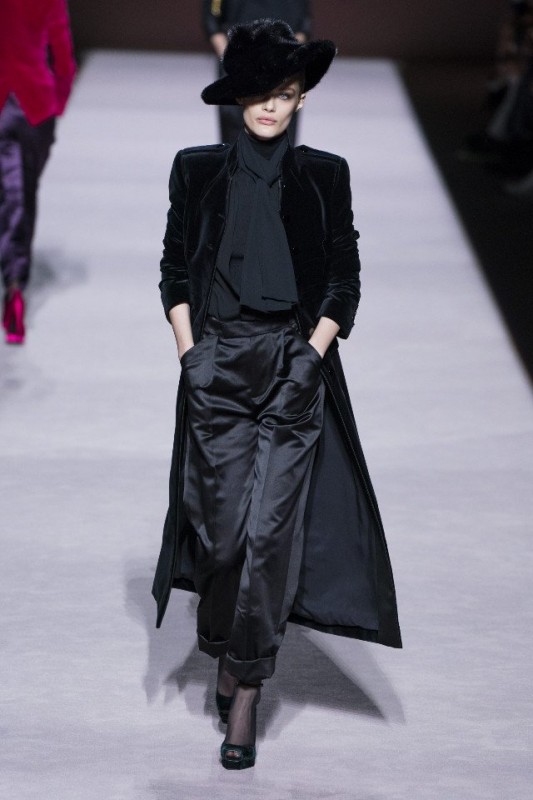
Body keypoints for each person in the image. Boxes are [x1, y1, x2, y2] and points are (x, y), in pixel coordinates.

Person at [152, 19, 402, 770]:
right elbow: (174, 270)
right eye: (260, 92)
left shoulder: (324, 175)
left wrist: (310, 356)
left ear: (301, 101)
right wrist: (192, 356)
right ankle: (226, 645)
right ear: (238, 98)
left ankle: (247, 688)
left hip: (293, 368)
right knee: (222, 535)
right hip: (219, 366)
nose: (270, 106)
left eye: (285, 94)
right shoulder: (196, 170)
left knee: (270, 537)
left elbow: (344, 278)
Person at [0, 0, 76, 345]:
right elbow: (62, 53)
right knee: (21, 195)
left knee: (12, 195)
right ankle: (15, 286)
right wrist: (58, 100)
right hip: (34, 104)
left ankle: (14, 282)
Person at [202, 1, 312, 143]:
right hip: (238, 60)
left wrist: (289, 53)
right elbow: (211, 18)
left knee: (282, 128)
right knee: (234, 130)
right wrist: (230, 56)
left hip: (284, 60)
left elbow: (304, 21)